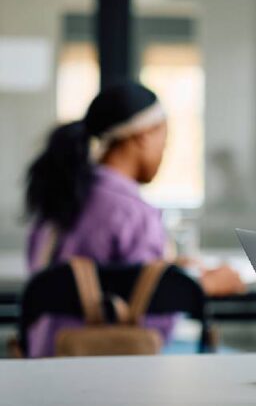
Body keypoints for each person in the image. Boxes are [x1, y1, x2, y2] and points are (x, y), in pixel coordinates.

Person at [24, 81, 244, 357]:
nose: (165, 150)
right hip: (106, 365)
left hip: (44, 357)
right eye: (164, 138)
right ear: (143, 137)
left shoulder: (60, 198)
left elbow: (55, 281)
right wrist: (200, 287)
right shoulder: (134, 213)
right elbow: (152, 325)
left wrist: (168, 273)